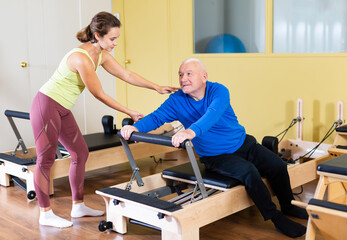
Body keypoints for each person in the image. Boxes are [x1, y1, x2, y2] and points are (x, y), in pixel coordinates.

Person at [121, 58, 308, 238]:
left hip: (244, 143)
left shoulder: (218, 91)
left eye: (188, 74)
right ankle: (276, 218)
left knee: (278, 165)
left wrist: (190, 132)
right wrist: (135, 128)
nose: (183, 79)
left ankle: (288, 205)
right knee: (249, 172)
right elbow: (156, 117)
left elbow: (213, 114)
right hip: (215, 156)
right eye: (180, 75)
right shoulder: (176, 100)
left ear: (204, 77)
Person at [30, 11, 178, 228]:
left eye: (117, 38)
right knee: (45, 160)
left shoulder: (101, 55)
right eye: (112, 38)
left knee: (80, 153)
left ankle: (78, 206)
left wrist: (156, 87)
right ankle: (45, 213)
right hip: (46, 106)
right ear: (98, 36)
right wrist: (130, 111)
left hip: (61, 109)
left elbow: (126, 75)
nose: (116, 43)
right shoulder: (80, 57)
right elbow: (99, 93)